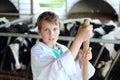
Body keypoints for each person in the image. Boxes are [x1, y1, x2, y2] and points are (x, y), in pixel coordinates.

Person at [31, 11, 95, 80]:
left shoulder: (64, 49)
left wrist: (83, 60)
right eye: (46, 30)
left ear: (59, 30)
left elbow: (71, 72)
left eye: (55, 29)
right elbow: (56, 71)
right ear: (39, 32)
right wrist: (79, 40)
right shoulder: (37, 50)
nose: (51, 34)